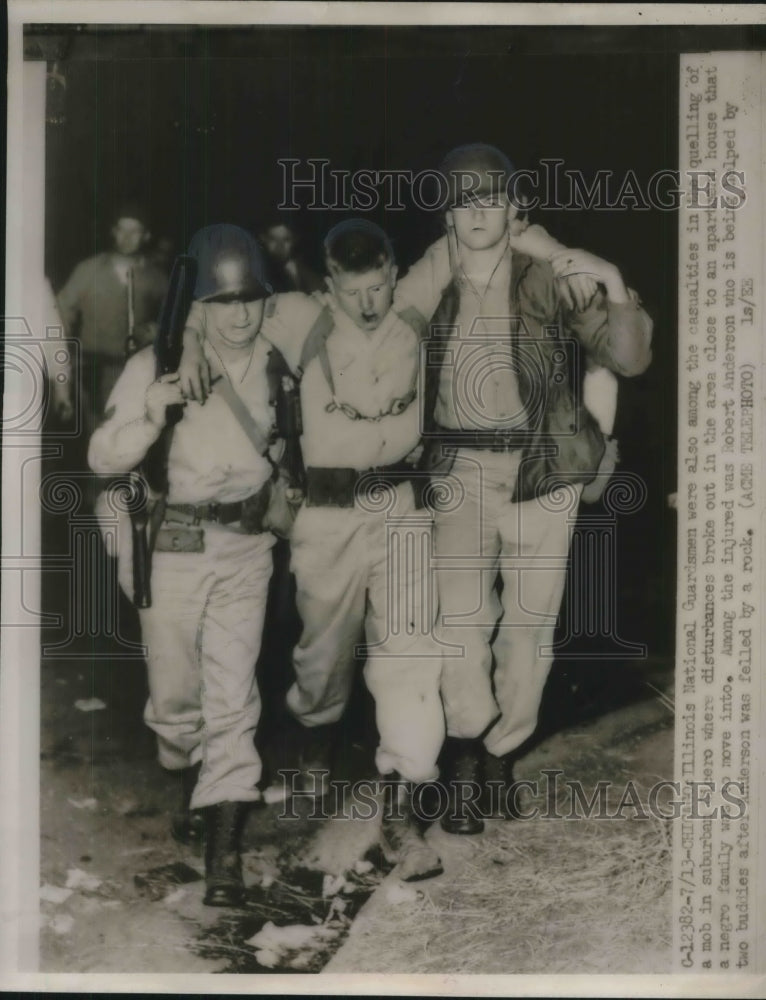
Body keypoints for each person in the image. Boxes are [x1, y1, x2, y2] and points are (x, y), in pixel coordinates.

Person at [394, 143, 653, 833]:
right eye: (463, 199)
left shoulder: (550, 274)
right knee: (460, 623)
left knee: (531, 628)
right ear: (447, 213)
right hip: (460, 472)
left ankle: (504, 754)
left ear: (512, 207)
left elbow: (627, 357)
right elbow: (386, 341)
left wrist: (611, 277)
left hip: (542, 472)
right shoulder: (430, 276)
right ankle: (465, 754)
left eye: (491, 198)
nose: (478, 211)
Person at [180, 219, 447, 882]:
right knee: (322, 658)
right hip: (326, 515)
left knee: (412, 655)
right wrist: (188, 347)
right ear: (330, 286)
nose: (369, 302)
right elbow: (215, 303)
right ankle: (316, 747)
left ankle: (403, 814)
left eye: (379, 286)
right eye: (354, 290)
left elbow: (474, 242)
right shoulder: (299, 316)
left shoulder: (413, 299)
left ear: (393, 274)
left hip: (402, 508)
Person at [89, 224, 279, 908]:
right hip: (171, 546)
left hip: (246, 547)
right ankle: (185, 766)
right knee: (176, 701)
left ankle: (223, 849)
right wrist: (150, 413)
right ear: (198, 304)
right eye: (223, 303)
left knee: (234, 697)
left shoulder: (279, 356)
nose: (239, 316)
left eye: (251, 300)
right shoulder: (157, 362)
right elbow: (103, 457)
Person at [57, 202, 168, 437]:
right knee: (99, 438)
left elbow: (175, 318)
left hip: (137, 372)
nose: (127, 237)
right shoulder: (88, 270)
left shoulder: (156, 277)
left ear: (146, 236)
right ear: (113, 232)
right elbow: (60, 313)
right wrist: (63, 359)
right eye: (121, 229)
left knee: (133, 438)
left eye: (135, 231)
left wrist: (155, 331)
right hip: (93, 370)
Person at [259, 216, 324, 295]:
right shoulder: (257, 268)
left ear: (295, 240)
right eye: (273, 239)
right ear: (263, 238)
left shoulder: (303, 268)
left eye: (286, 240)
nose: (279, 246)